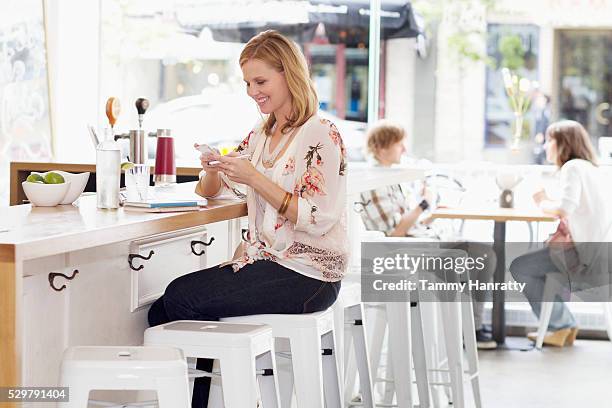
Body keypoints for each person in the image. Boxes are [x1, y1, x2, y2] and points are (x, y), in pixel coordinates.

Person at [148, 30, 348, 407]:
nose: (252, 91)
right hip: (271, 263)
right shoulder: (262, 132)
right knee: (163, 310)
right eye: (247, 82)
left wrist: (254, 177)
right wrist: (211, 169)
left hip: (309, 273)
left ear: (288, 74)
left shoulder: (320, 133)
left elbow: (317, 217)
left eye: (260, 81)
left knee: (180, 299)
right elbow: (215, 190)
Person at [359, 121, 497, 349]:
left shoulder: (387, 177)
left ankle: (468, 327)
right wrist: (424, 204)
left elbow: (402, 226)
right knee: (483, 256)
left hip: (414, 245)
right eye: (399, 144)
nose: (404, 149)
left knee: (481, 254)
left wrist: (428, 216)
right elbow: (394, 234)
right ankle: (470, 329)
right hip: (402, 255)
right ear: (382, 148)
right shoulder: (375, 182)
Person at [510, 120, 611, 347]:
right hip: (601, 258)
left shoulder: (572, 167)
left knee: (521, 267)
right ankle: (561, 325)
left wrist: (541, 201)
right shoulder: (593, 170)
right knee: (536, 265)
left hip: (582, 259)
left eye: (549, 140)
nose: (545, 146)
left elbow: (565, 208)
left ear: (562, 144)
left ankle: (560, 325)